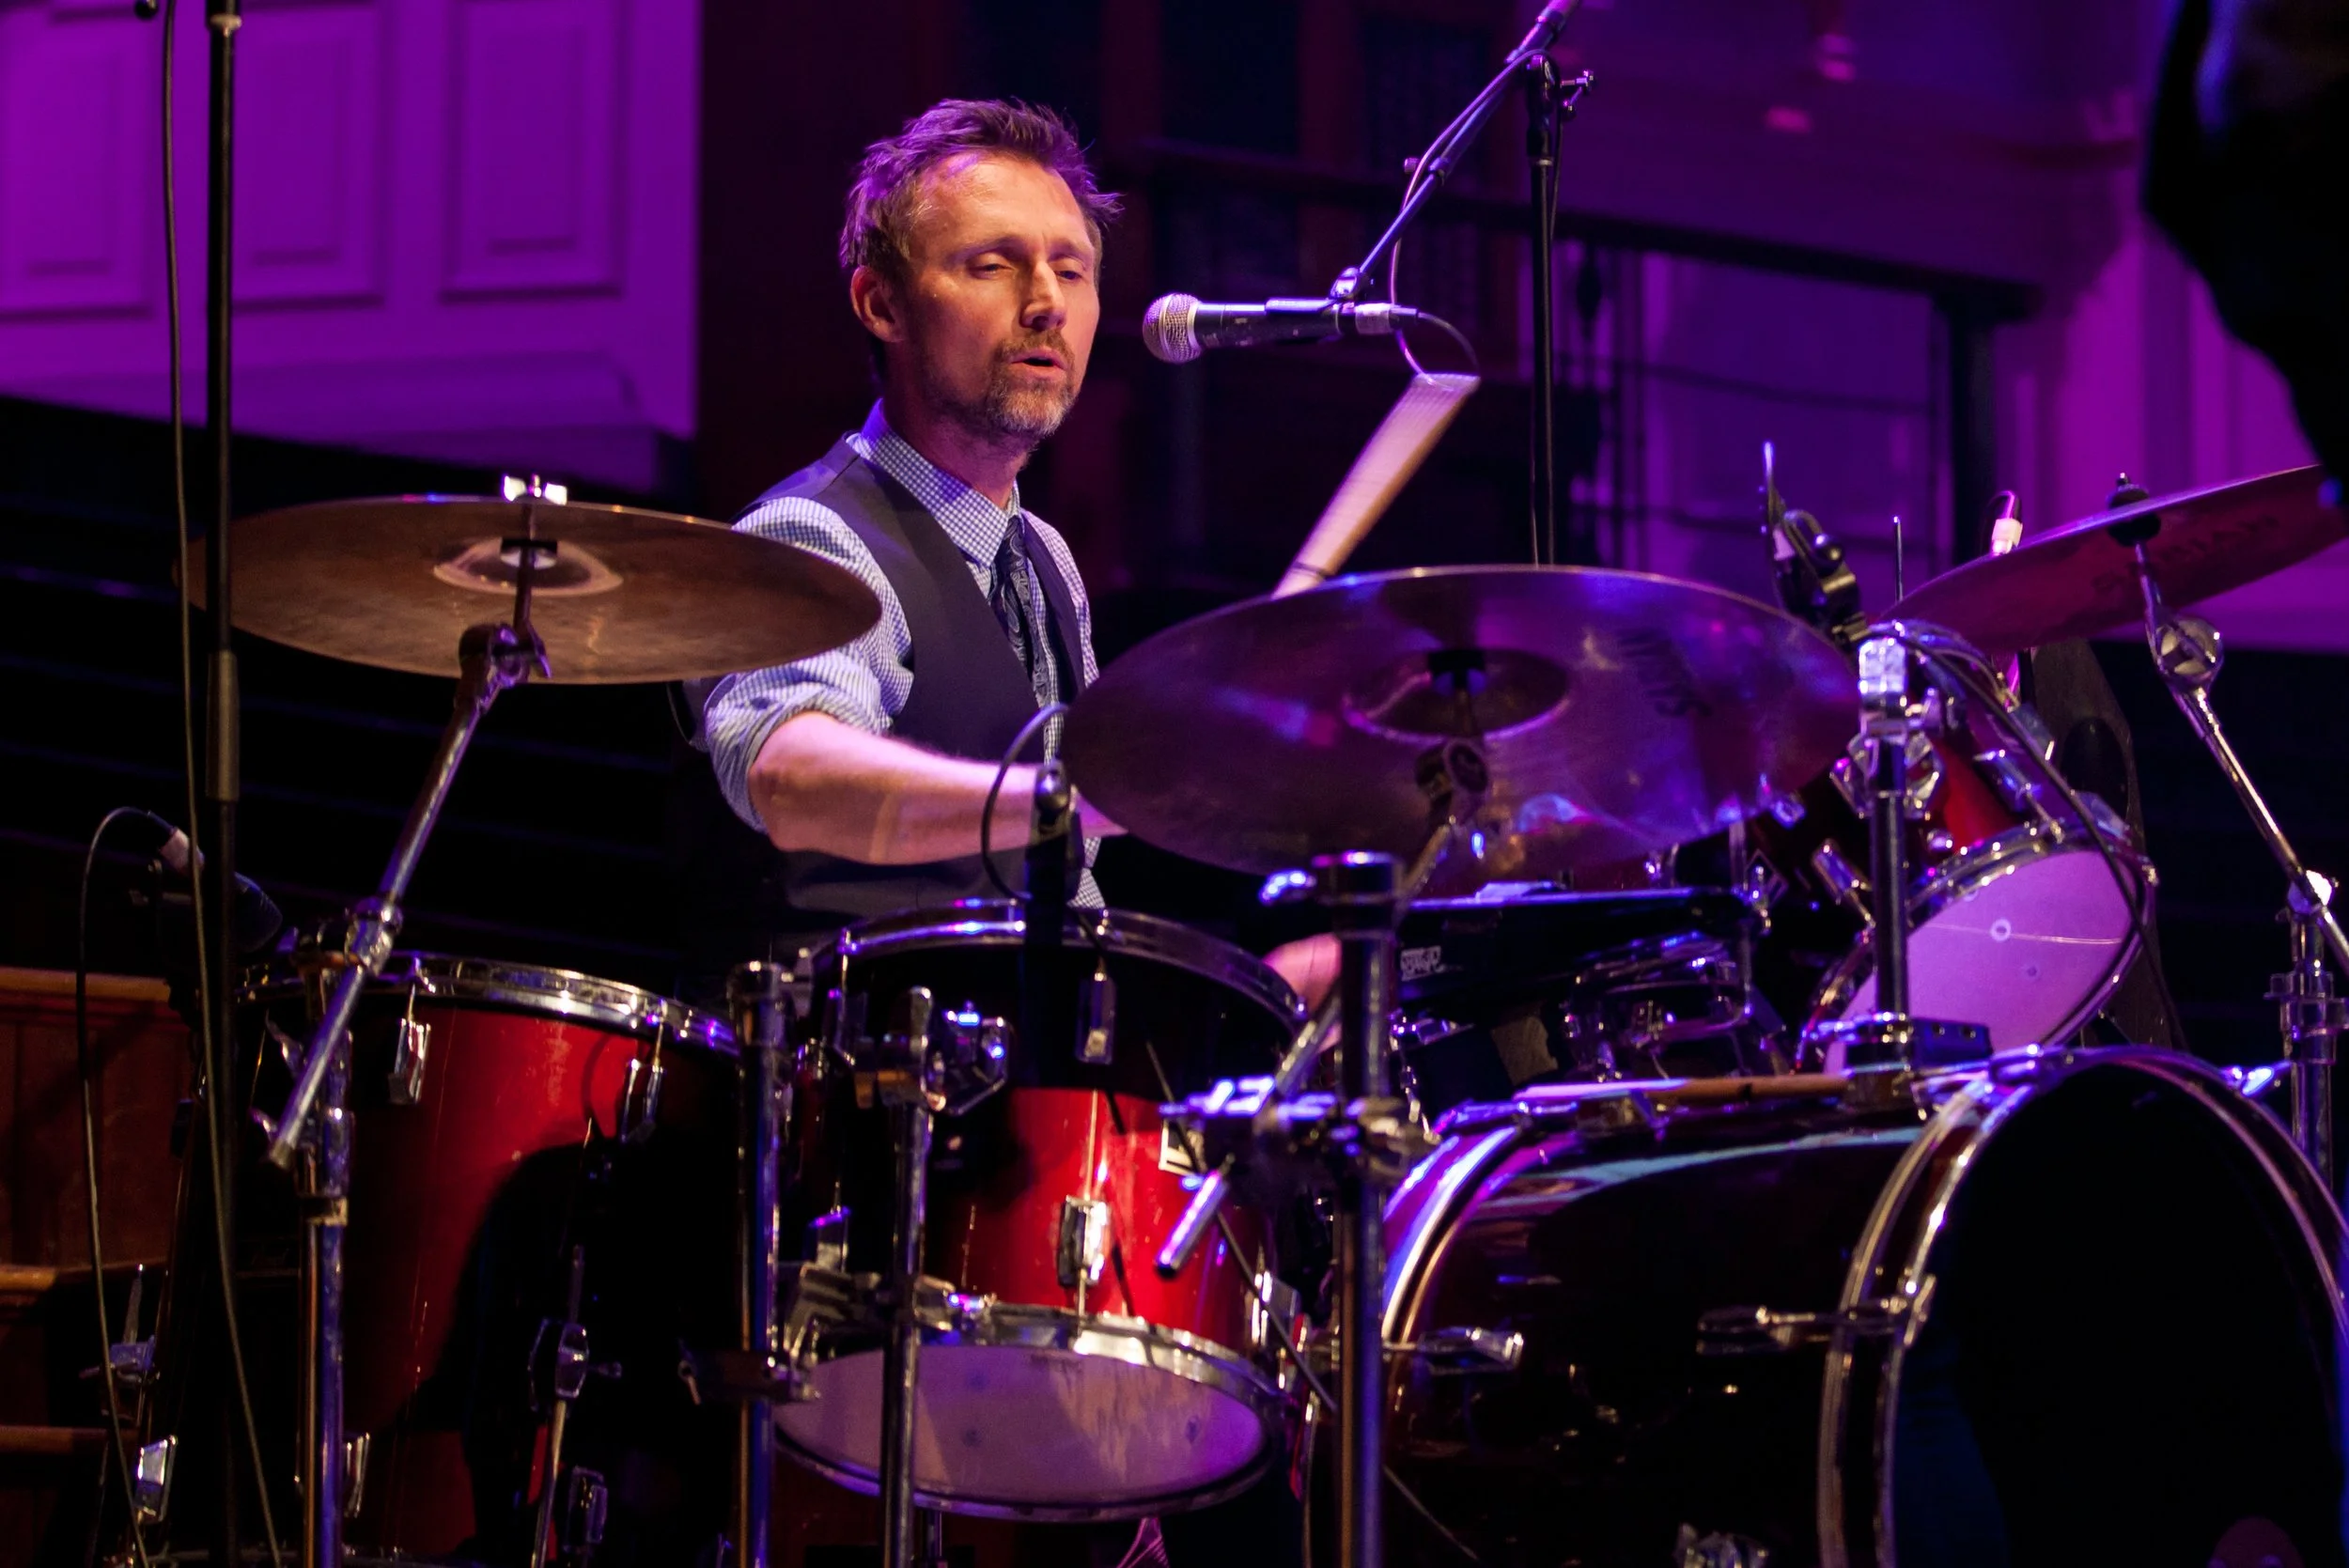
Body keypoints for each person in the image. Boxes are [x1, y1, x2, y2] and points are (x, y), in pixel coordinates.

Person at [682, 99, 1123, 974]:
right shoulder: (814, 535)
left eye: (1071, 271)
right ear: (881, 303)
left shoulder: (1046, 559)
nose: (1045, 305)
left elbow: (1066, 886)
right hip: (859, 1085)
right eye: (994, 265)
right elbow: (790, 775)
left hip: (1032, 1071)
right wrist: (1059, 796)